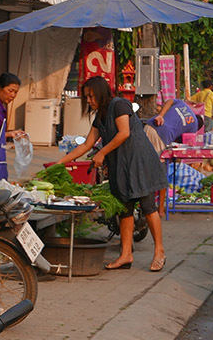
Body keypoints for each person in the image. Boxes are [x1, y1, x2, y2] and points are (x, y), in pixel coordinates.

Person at [55, 76, 168, 271]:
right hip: (121, 167)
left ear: (100, 92)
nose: (88, 101)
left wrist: (102, 152)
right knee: (124, 209)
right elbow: (87, 144)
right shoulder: (99, 117)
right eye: (86, 97)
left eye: (90, 96)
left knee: (149, 207)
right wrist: (59, 163)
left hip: (139, 162)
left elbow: (124, 132)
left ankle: (159, 251)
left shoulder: (119, 104)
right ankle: (126, 254)